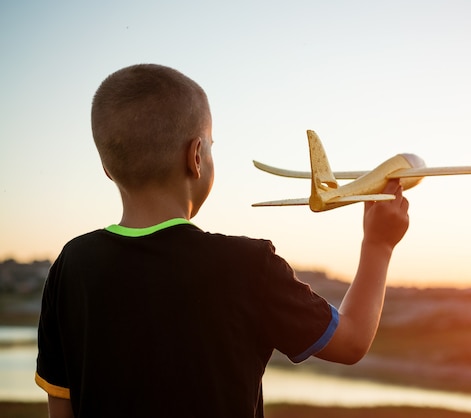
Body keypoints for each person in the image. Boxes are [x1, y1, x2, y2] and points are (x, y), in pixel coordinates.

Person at [35, 63, 410, 418]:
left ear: (106, 168)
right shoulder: (248, 265)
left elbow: (61, 407)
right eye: (211, 145)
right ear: (196, 157)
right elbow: (352, 341)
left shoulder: (71, 265)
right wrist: (378, 246)